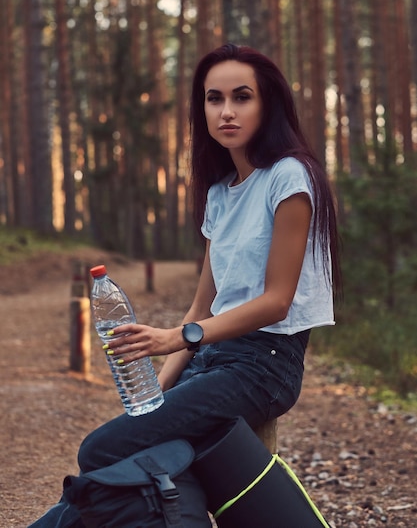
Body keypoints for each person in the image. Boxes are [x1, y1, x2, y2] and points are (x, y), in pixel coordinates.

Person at [29, 43, 341, 527]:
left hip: (266, 364)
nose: (227, 111)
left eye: (242, 97)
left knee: (101, 450)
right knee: (151, 449)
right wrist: (155, 392)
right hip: (215, 360)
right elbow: (202, 304)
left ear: (268, 104)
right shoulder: (220, 193)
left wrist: (178, 338)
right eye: (214, 99)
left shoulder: (290, 177)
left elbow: (277, 302)